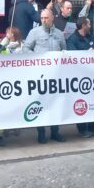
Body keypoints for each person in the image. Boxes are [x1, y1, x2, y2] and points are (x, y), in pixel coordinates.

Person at [24, 9, 66, 144]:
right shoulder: (34, 33)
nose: (43, 20)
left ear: (52, 18)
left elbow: (64, 50)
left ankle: (55, 131)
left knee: (55, 104)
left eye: (46, 18)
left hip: (56, 76)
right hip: (41, 76)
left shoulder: (59, 34)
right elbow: (26, 49)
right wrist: (37, 59)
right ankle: (41, 132)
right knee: (41, 104)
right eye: (42, 18)